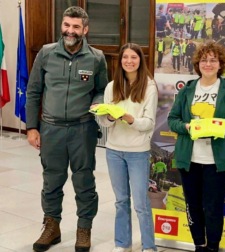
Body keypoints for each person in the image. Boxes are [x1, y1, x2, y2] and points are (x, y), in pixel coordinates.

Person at [26, 6, 108, 252]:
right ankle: (52, 226)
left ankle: (84, 229)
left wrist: (98, 102)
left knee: (84, 181)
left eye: (75, 27)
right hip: (51, 129)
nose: (70, 31)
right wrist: (32, 127)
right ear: (62, 26)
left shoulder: (96, 57)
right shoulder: (47, 53)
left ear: (85, 29)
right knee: (52, 181)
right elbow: (33, 91)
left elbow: (102, 89)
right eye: (66, 25)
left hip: (82, 129)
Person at [167, 42, 225, 252]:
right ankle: (199, 246)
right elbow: (172, 119)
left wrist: (219, 127)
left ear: (220, 64)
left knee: (213, 208)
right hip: (189, 159)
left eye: (213, 60)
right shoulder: (188, 90)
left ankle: (213, 247)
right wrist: (186, 126)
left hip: (217, 161)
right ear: (197, 63)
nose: (208, 64)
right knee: (193, 206)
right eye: (204, 60)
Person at [96, 43, 158, 252]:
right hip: (113, 151)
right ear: (120, 61)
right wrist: (109, 117)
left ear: (140, 60)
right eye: (125, 57)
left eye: (134, 57)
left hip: (138, 153)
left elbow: (149, 123)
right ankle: (122, 244)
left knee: (141, 204)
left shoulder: (149, 87)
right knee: (121, 200)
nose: (129, 61)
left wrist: (130, 119)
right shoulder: (111, 86)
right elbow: (104, 124)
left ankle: (149, 246)